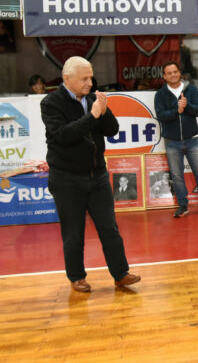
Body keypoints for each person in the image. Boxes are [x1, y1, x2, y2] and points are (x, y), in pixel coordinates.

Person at [40, 56, 140, 293]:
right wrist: (92, 116)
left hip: (97, 176)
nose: (89, 82)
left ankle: (121, 274)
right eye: (84, 78)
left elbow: (112, 130)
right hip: (66, 179)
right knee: (73, 232)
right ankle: (77, 277)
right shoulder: (51, 103)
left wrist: (103, 112)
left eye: (91, 77)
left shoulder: (94, 99)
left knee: (109, 228)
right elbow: (63, 136)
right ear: (67, 78)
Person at [154, 61, 198, 217]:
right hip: (172, 142)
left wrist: (187, 106)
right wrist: (176, 110)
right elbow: (161, 116)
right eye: (169, 73)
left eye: (175, 72)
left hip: (192, 140)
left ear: (180, 73)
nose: (173, 75)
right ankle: (183, 205)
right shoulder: (160, 94)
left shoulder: (191, 90)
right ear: (164, 76)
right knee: (177, 176)